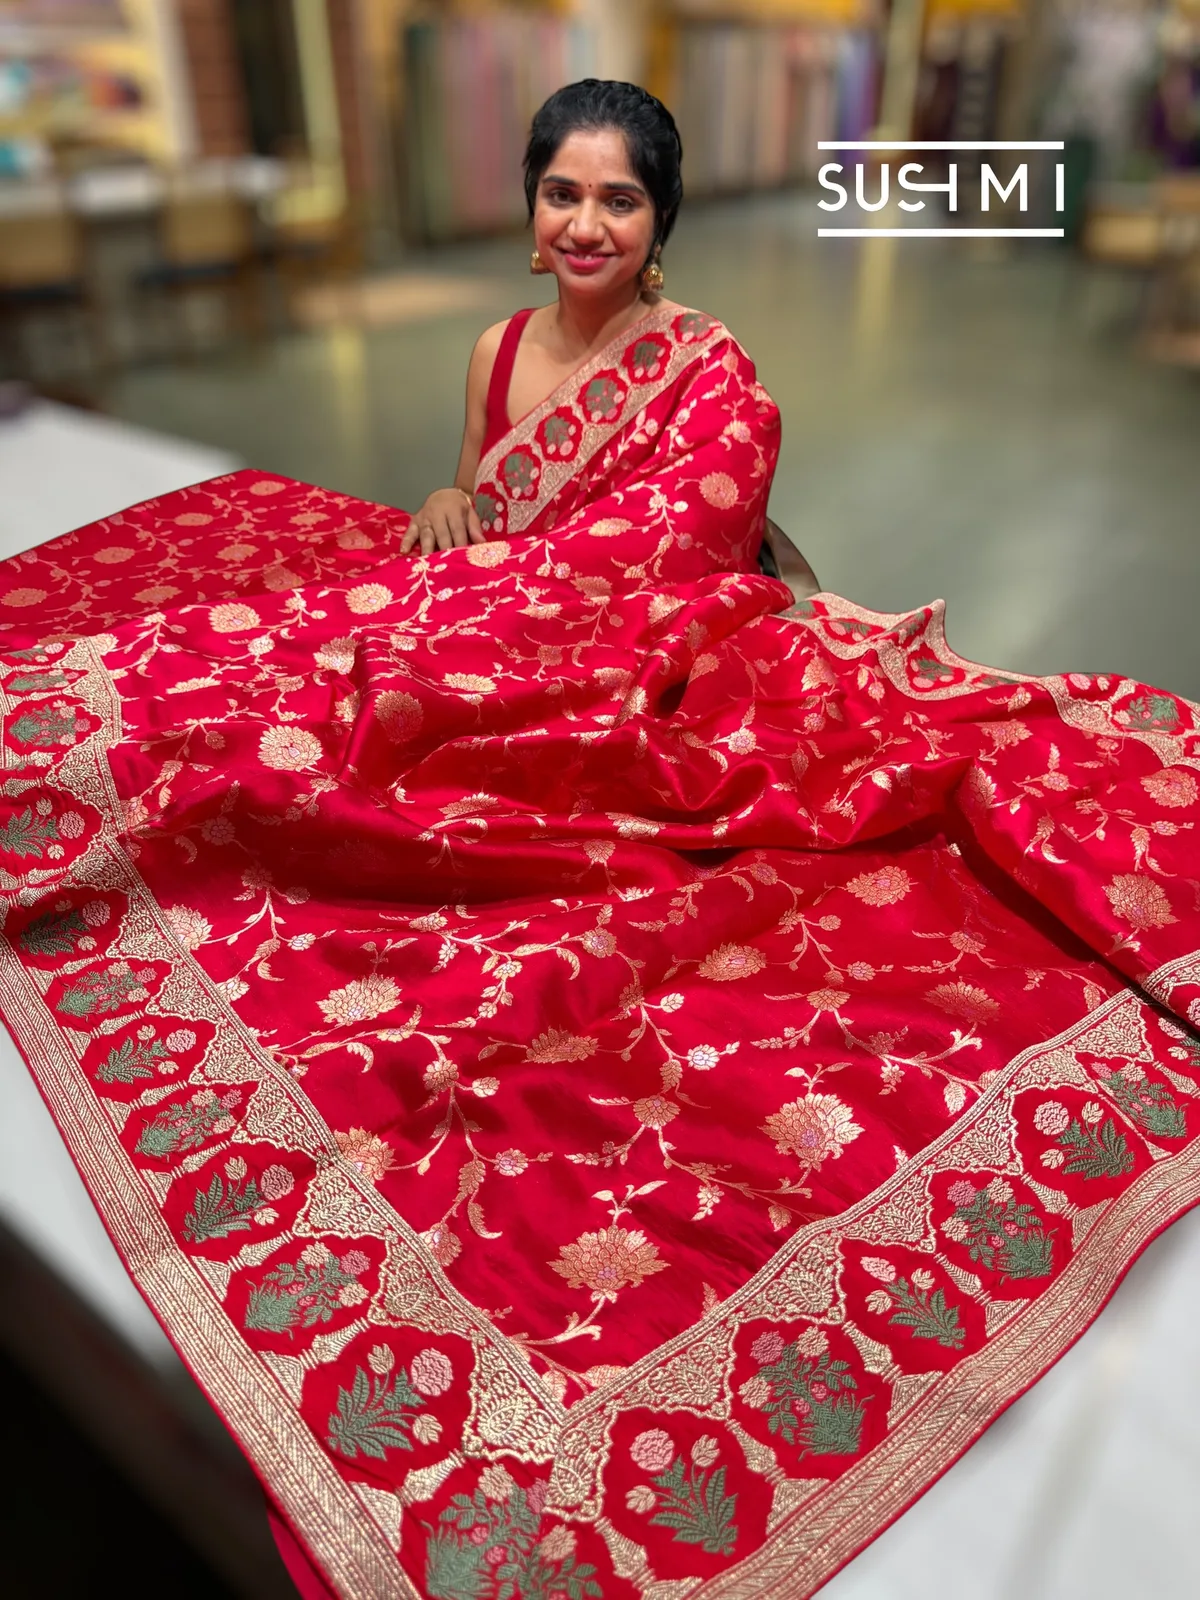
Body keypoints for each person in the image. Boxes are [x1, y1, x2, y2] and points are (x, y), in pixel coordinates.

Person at [2, 80, 1199, 1600]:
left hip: (639, 664)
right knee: (251, 711)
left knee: (371, 741)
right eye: (562, 195)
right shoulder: (498, 349)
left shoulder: (709, 371)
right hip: (502, 618)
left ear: (660, 224)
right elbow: (476, 496)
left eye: (617, 201)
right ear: (529, 208)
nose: (585, 225)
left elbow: (672, 560)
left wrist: (507, 623)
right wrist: (447, 512)